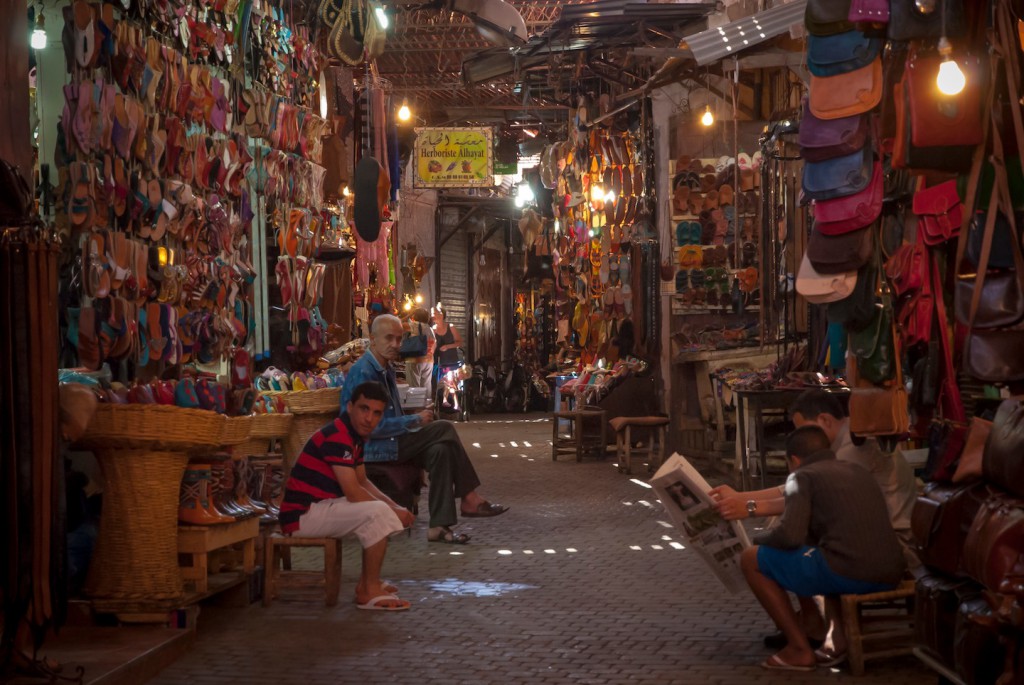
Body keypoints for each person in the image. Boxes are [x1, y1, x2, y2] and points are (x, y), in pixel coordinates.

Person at [740, 425, 905, 672]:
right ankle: (827, 632)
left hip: (850, 572)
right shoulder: (857, 470)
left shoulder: (801, 477)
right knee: (813, 550)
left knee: (750, 559)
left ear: (793, 460)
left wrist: (757, 540)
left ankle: (798, 648)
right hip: (893, 570)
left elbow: (789, 536)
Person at [340, 314, 508, 545]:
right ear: (372, 338)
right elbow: (368, 426)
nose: (395, 345)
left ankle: (439, 527)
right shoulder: (364, 373)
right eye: (389, 338)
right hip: (374, 447)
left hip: (390, 440)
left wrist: (412, 419)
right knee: (444, 428)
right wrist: (414, 421)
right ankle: (469, 497)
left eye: (399, 340)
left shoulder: (383, 369)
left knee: (441, 450)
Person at [280, 381, 415, 611]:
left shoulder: (353, 435)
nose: (369, 418)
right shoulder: (338, 435)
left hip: (320, 507)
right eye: (364, 409)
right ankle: (368, 590)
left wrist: (396, 506)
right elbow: (353, 492)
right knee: (376, 512)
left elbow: (363, 481)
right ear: (350, 407)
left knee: (378, 510)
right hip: (302, 516)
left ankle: (367, 582)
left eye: (376, 413)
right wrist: (392, 511)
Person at [404, 307, 436, 394]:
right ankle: (427, 406)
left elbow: (396, 324)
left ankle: (416, 406)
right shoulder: (430, 329)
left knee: (414, 387)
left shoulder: (415, 325)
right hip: (429, 361)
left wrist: (409, 314)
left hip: (415, 359)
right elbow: (434, 345)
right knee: (426, 387)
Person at [432, 303, 462, 369]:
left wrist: (447, 346)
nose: (433, 316)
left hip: (453, 362)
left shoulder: (451, 327)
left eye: (435, 314)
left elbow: (460, 343)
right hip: (439, 365)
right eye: (433, 314)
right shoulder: (433, 329)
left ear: (442, 315)